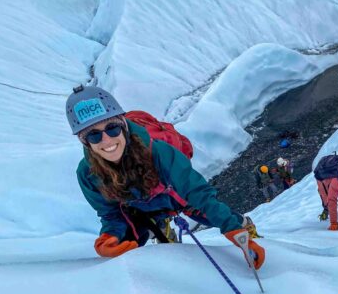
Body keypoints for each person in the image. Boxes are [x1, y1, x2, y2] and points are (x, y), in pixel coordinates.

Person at [67, 85, 265, 268]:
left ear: (124, 127)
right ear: (85, 142)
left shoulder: (159, 152)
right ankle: (161, 229)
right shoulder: (88, 174)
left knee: (214, 215)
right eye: (94, 135)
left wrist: (233, 229)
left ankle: (243, 225)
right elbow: (111, 214)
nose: (107, 140)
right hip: (141, 209)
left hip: (177, 199)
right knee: (125, 246)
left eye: (112, 128)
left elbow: (198, 194)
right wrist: (110, 237)